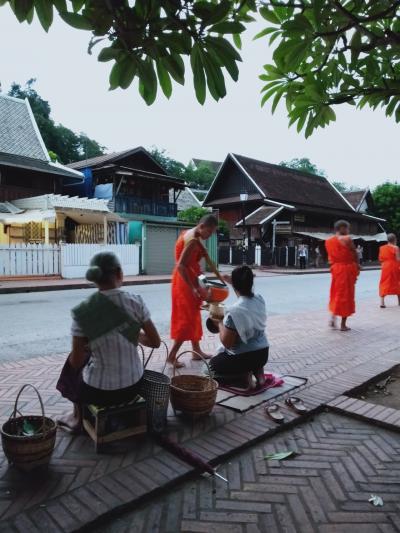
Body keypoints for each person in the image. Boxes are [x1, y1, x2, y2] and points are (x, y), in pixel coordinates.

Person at [57, 252, 161, 432]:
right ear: (120, 274)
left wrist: (91, 347)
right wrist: (132, 334)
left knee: (70, 362)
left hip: (99, 392)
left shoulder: (84, 312)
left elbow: (76, 361)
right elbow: (155, 342)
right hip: (134, 385)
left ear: (95, 279)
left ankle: (77, 418)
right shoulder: (136, 301)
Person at [168, 214, 218, 367]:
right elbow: (181, 265)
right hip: (185, 283)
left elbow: (193, 266)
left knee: (194, 315)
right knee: (186, 319)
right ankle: (171, 356)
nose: (209, 236)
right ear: (201, 226)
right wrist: (193, 288)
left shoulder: (191, 235)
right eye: (209, 232)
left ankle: (196, 351)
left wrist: (203, 283)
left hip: (190, 279)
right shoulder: (192, 241)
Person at [209, 266, 269, 389]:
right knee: (252, 345)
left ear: (235, 286)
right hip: (263, 355)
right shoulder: (259, 299)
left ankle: (242, 375)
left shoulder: (233, 312)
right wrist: (232, 281)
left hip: (244, 358)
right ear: (251, 282)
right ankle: (259, 373)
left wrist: (219, 323)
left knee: (210, 367)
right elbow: (244, 294)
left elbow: (227, 343)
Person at [325, 220, 360, 331]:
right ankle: (343, 325)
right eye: (347, 228)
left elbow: (331, 258)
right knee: (346, 296)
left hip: (336, 270)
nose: (348, 231)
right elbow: (355, 254)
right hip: (346, 269)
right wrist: (358, 265)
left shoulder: (328, 241)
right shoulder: (347, 239)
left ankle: (333, 318)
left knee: (336, 294)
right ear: (341, 228)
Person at [378, 233, 400, 308]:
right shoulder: (396, 248)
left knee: (384, 282)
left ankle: (382, 302)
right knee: (397, 282)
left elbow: (380, 259)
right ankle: (399, 301)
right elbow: (398, 259)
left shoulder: (381, 248)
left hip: (385, 267)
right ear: (394, 240)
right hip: (394, 266)